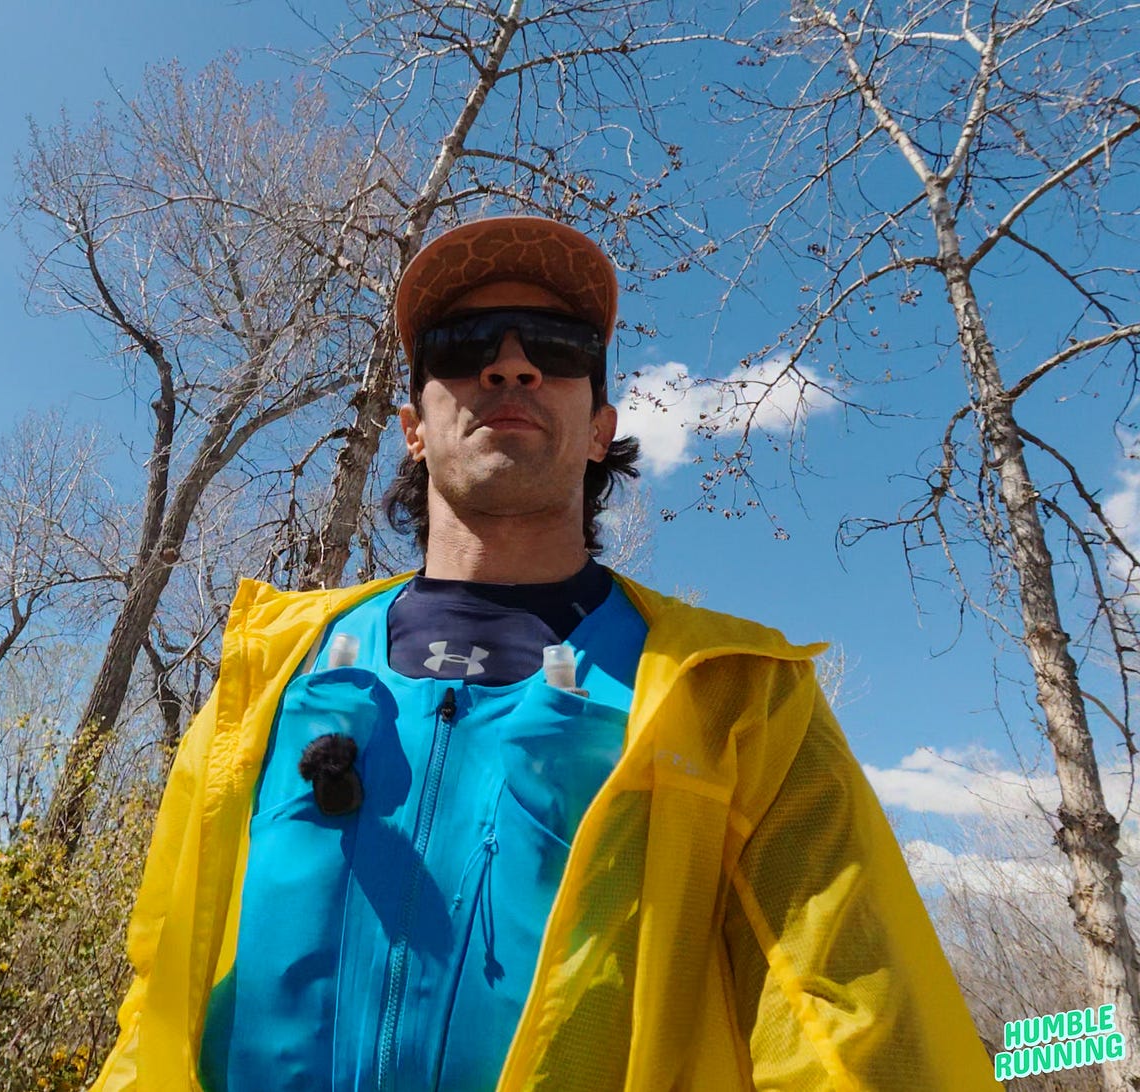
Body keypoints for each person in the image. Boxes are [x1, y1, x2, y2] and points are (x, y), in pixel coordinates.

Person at [89, 216, 999, 1091]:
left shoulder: (737, 698)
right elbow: (158, 996)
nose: (511, 364)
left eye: (558, 349)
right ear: (412, 428)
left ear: (601, 428)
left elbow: (852, 1031)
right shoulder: (270, 673)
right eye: (463, 345)